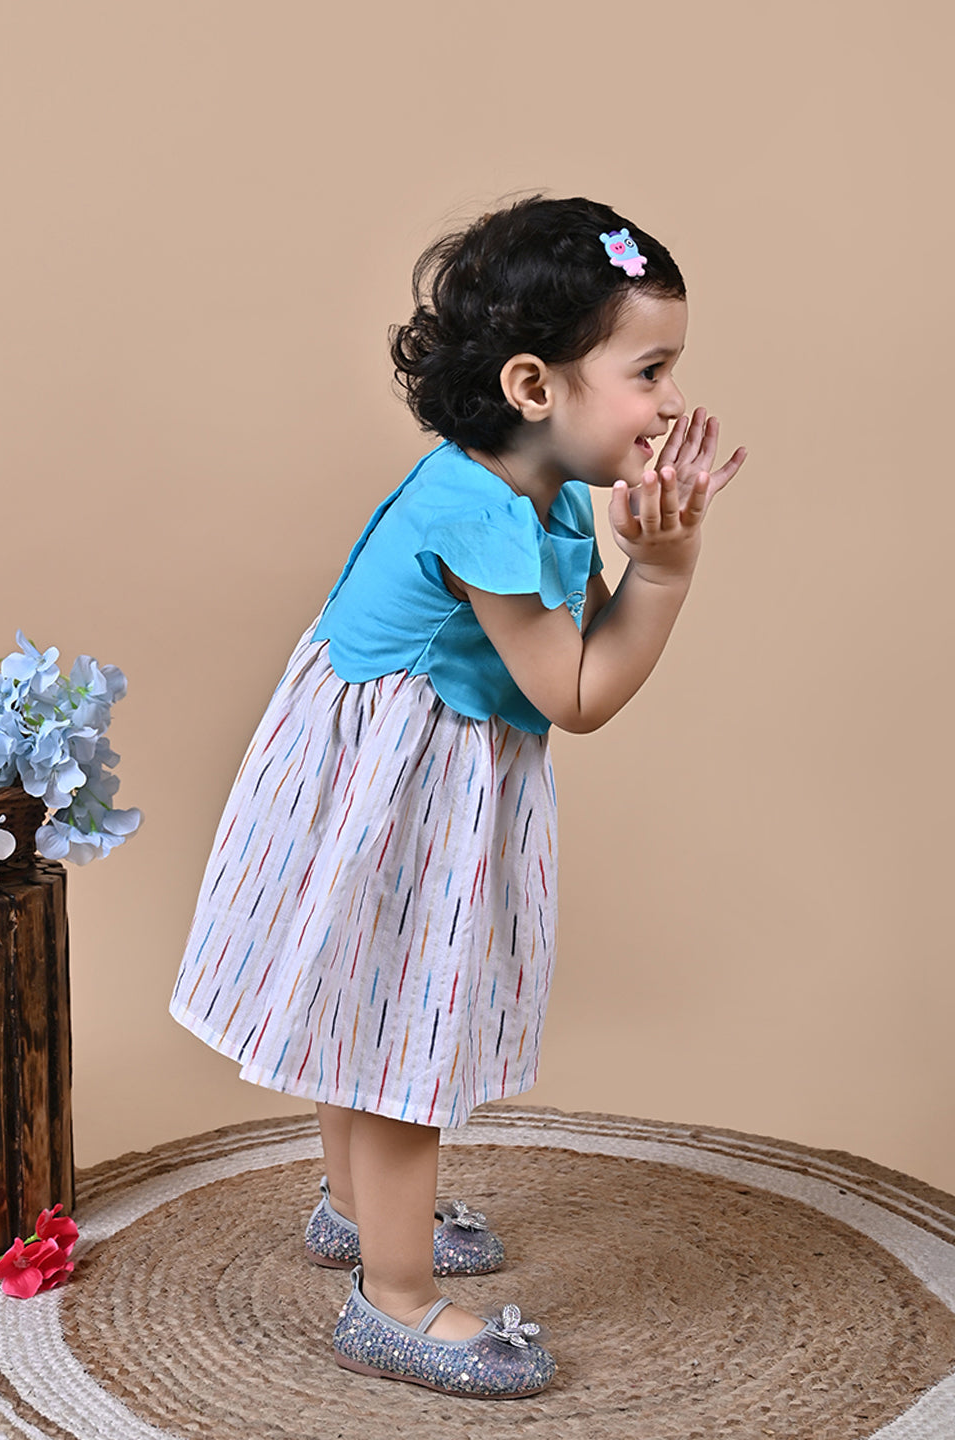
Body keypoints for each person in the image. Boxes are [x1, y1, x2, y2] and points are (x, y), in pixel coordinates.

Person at [170, 195, 746, 1399]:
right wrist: (669, 573)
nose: (673, 402)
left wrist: (633, 545)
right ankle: (392, 1299)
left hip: (393, 763)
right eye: (650, 370)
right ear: (536, 386)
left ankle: (350, 1209)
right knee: (398, 1038)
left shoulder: (522, 484)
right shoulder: (482, 512)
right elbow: (575, 690)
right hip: (399, 784)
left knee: (364, 1000)